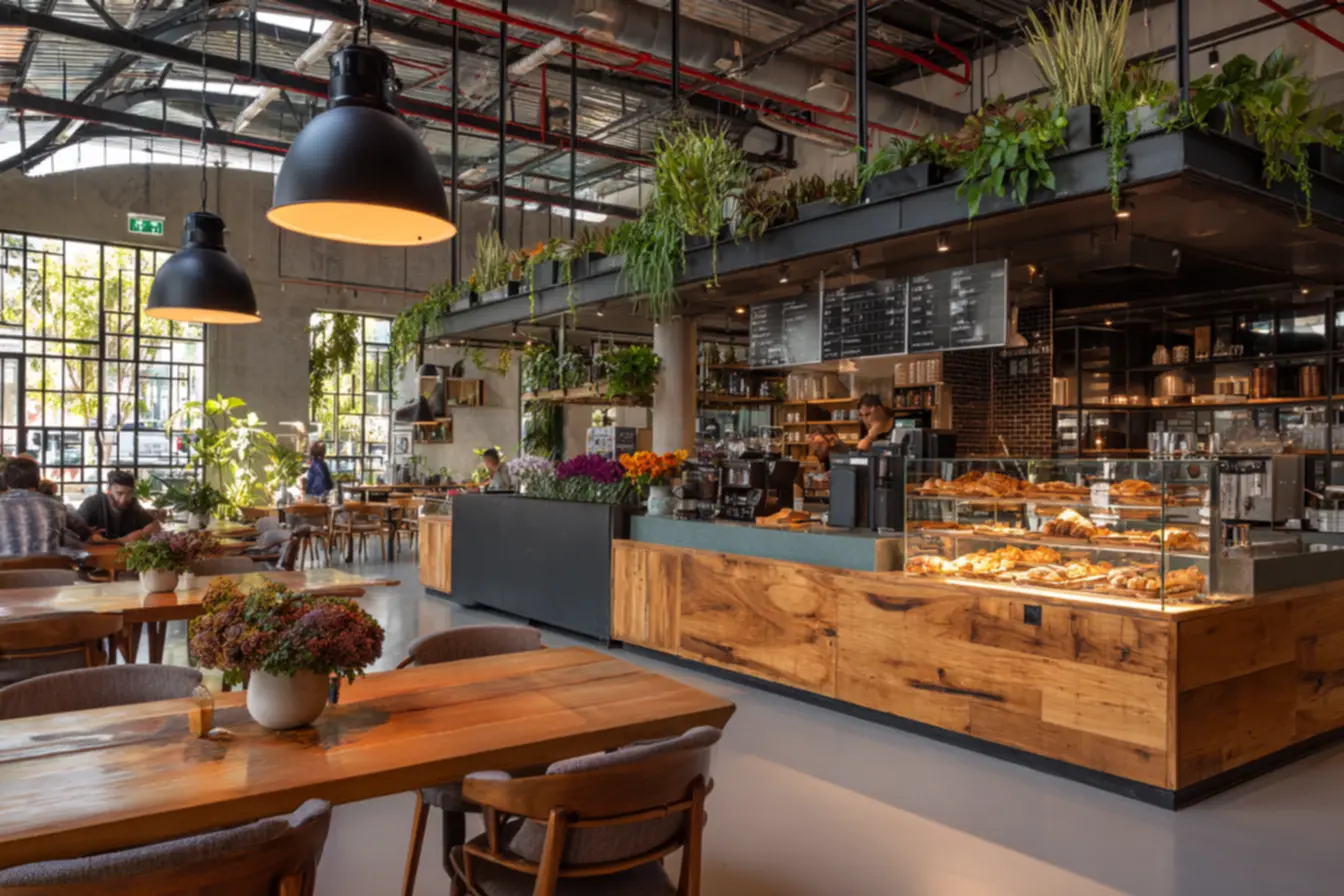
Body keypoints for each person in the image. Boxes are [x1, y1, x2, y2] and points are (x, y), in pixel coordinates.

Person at [0, 456, 76, 557]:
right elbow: (62, 540)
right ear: (38, 480)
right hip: (49, 566)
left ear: (5, 481)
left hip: (6, 566)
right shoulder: (57, 507)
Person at [76, 470, 161, 543]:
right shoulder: (92, 504)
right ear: (108, 491)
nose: (123, 500)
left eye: (129, 494)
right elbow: (74, 530)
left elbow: (155, 526)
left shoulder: (133, 505)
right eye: (119, 493)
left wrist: (128, 538)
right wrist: (88, 534)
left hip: (122, 552)